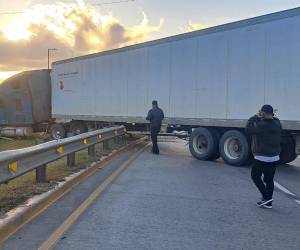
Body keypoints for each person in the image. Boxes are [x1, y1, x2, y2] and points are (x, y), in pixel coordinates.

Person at [246, 104, 282, 209]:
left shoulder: (261, 125)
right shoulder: (277, 123)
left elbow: (248, 129)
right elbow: (273, 118)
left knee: (255, 176)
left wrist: (255, 116)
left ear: (263, 113)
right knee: (269, 180)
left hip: (262, 157)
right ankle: (268, 203)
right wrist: (265, 115)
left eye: (261, 112)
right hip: (274, 157)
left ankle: (266, 197)